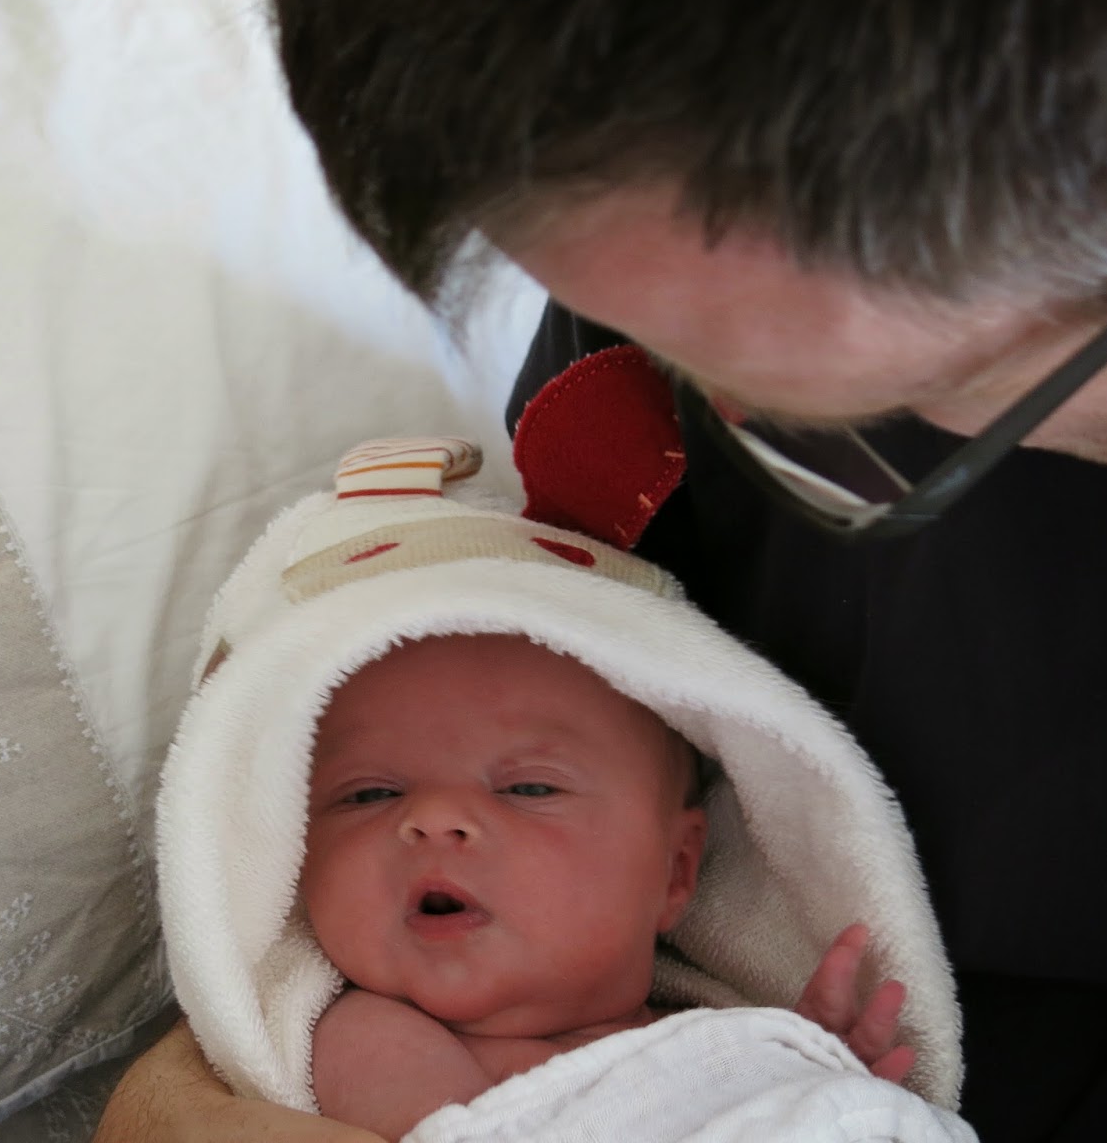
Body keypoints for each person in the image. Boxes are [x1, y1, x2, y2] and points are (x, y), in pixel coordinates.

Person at [97, 0, 1107, 1140]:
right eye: (648, 336)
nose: (703, 415)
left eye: (849, 421)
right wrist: (248, 1061)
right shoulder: (713, 158)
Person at [152, 436, 974, 1142]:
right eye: (368, 795)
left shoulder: (720, 1032)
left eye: (528, 787)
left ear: (677, 871)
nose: (435, 818)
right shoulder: (371, 1037)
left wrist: (809, 1071)